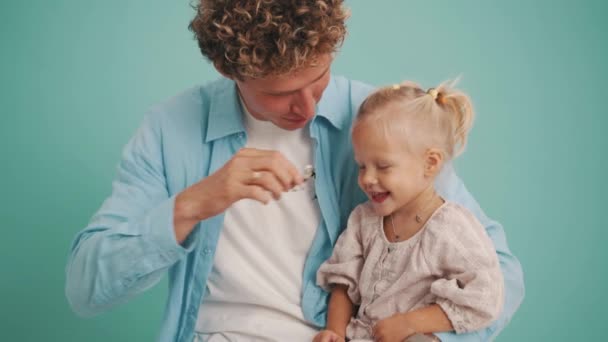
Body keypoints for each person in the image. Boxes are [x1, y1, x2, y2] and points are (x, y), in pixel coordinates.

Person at [64, 1, 524, 341]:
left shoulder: (381, 122)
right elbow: (86, 290)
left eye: (318, 78)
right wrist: (194, 203)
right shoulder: (171, 129)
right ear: (230, 71)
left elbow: (498, 274)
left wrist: (418, 334)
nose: (306, 107)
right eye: (279, 94)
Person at [313, 81, 504, 342]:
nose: (367, 179)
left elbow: (485, 296)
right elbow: (344, 285)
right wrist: (334, 332)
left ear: (430, 164)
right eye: (361, 166)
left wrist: (410, 323)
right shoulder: (363, 220)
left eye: (383, 166)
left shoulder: (451, 228)